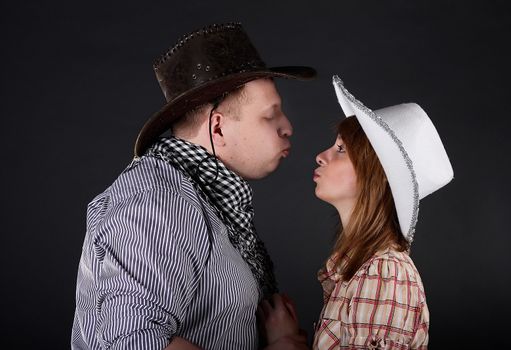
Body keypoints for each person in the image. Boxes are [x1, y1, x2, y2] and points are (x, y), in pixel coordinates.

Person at [71, 22, 315, 350]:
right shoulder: (155, 205)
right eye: (270, 115)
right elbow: (134, 342)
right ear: (218, 128)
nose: (287, 127)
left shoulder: (203, 197)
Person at [260, 75, 453, 349]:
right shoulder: (361, 269)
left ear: (374, 178)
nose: (321, 155)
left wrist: (285, 343)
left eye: (341, 150)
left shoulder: (384, 273)